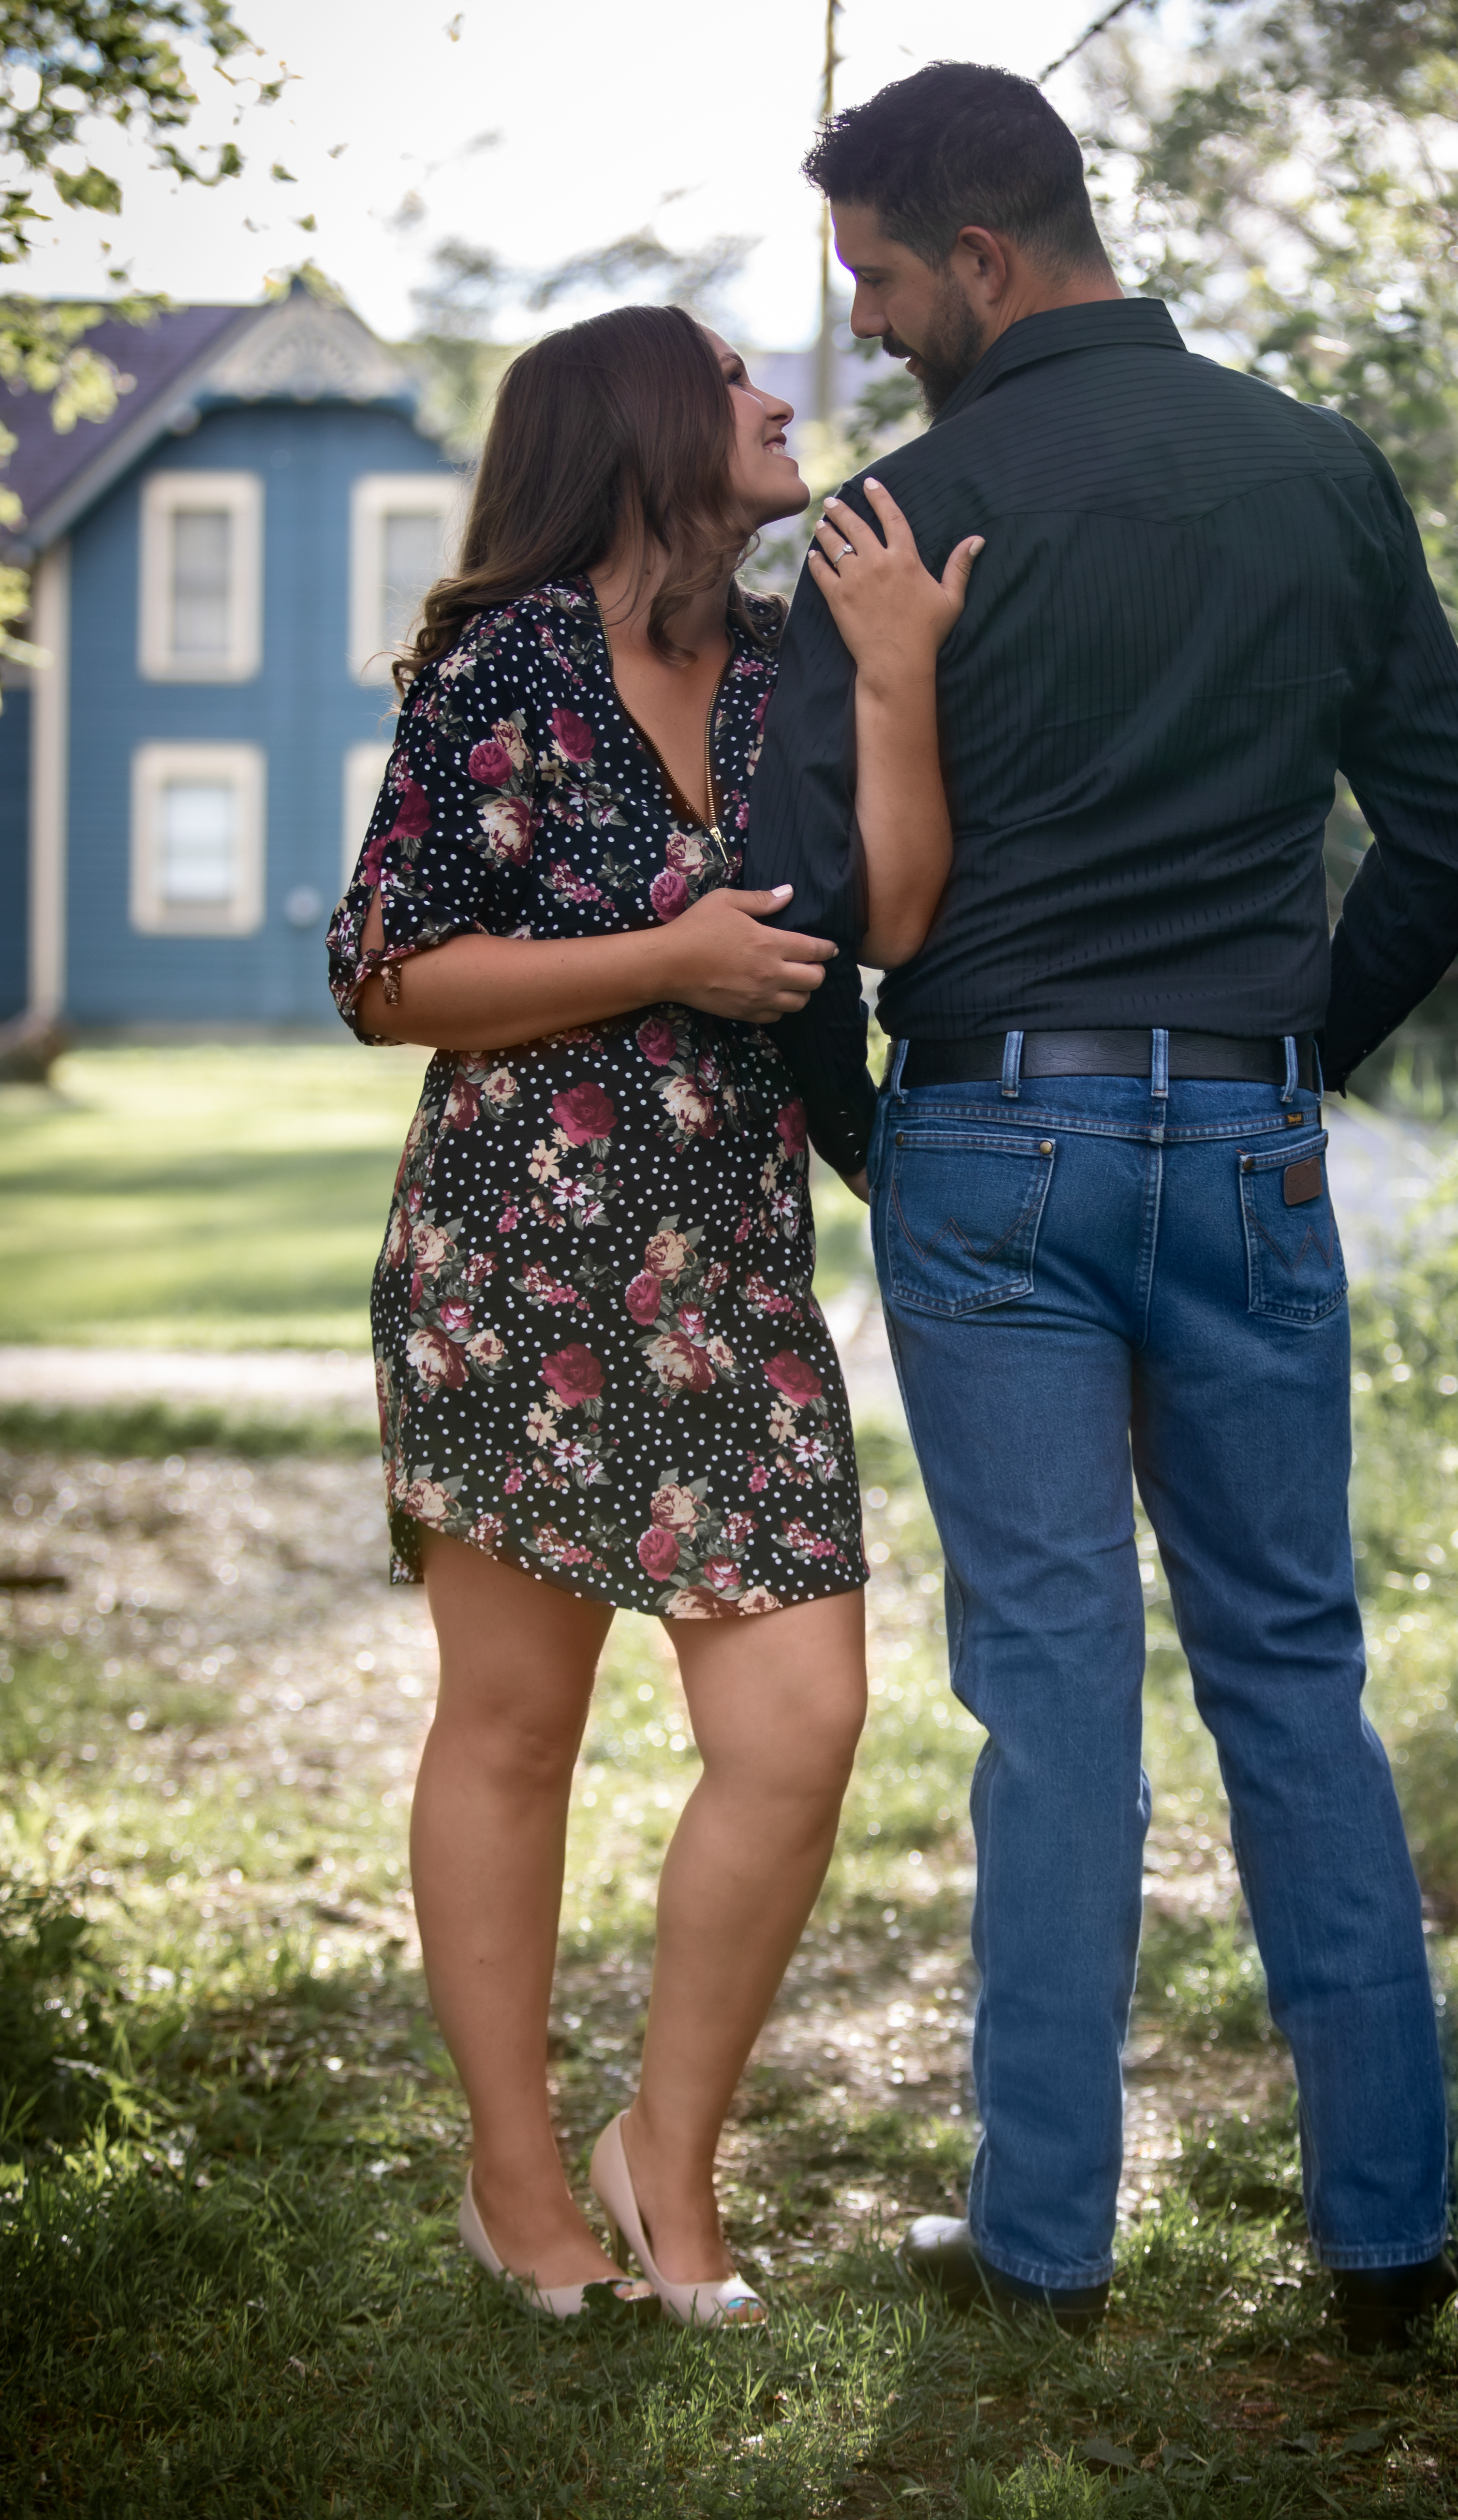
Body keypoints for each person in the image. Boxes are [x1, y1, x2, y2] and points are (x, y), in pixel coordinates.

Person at [746, 64, 1458, 2351]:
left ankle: (1045, 2249)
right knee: (1296, 1669)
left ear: (983, 258)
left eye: (881, 276)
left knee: (1057, 1694)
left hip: (996, 1136)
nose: (867, 325)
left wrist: (878, 1135)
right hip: (1248, 1136)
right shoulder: (1317, 469)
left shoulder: (894, 521)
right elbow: (1455, 834)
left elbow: (795, 913)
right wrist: (1292, 1059)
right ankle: (1389, 2245)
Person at [326, 303, 980, 2325]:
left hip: (731, 1285)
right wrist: (660, 956)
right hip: (514, 1268)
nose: (779, 400)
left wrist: (899, 680)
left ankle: (665, 2154)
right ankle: (516, 2175)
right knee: (514, 1729)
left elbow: (895, 919)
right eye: (731, 379)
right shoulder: (507, 661)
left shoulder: (794, 660)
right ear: (636, 422)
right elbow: (385, 973)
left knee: (800, 1730)